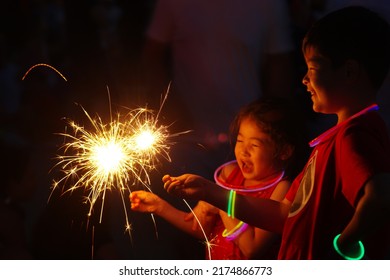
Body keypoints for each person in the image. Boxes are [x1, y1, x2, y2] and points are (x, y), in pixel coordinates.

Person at [163, 6, 390, 259]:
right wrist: (210, 191)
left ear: (349, 72)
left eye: (313, 69)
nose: (304, 79)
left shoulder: (352, 136)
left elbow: (381, 196)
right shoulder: (338, 139)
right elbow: (284, 215)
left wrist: (346, 243)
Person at [130, 98, 308, 259]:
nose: (244, 151)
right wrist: (159, 206)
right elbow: (200, 228)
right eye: (239, 141)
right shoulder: (229, 175)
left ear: (284, 151)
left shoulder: (282, 189)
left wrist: (220, 201)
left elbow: (252, 248)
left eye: (254, 144)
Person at [137, 0, 295, 180]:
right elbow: (152, 56)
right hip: (188, 140)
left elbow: (280, 66)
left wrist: (276, 129)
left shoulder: (268, 3)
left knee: (240, 206)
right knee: (188, 205)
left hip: (247, 143)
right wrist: (172, 109)